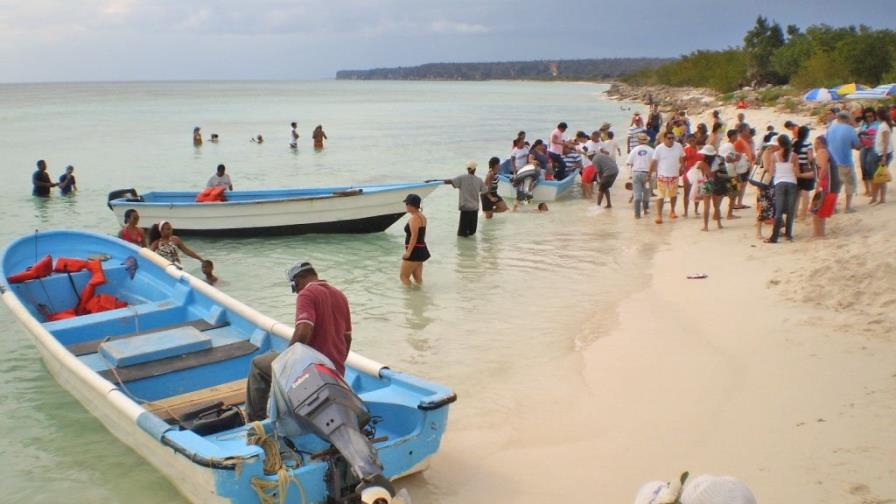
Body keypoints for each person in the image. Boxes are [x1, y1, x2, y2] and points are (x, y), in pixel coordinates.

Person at [245, 261, 352, 421]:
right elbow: (347, 338)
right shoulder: (340, 295)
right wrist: (335, 365)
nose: (295, 292)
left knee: (258, 365)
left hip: (310, 368)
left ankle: (255, 422)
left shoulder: (307, 294)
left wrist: (287, 361)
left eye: (293, 287)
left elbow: (303, 330)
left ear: (298, 280)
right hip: (333, 368)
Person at [766, 134, 799, 243]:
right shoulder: (794, 156)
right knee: (790, 210)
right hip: (792, 182)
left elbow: (771, 172)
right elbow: (797, 172)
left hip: (779, 183)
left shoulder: (774, 155)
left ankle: (774, 237)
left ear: (779, 144)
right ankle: (788, 234)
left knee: (778, 211)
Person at [826, 111, 861, 212]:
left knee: (835, 185)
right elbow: (857, 146)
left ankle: (833, 207)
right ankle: (848, 207)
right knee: (849, 184)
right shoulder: (850, 129)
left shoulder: (830, 128)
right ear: (847, 119)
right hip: (845, 160)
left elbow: (827, 142)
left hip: (832, 161)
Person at [649, 131, 684, 223]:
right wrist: (649, 174)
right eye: (669, 138)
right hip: (662, 176)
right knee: (660, 196)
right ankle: (659, 216)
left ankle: (672, 210)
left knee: (673, 195)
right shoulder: (659, 148)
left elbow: (682, 157)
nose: (671, 140)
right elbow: (654, 161)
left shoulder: (678, 146)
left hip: (674, 175)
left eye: (673, 138)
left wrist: (682, 167)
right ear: (664, 139)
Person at [443, 161, 486, 237]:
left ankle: (463, 248)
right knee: (472, 232)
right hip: (475, 209)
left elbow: (450, 181)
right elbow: (484, 190)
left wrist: (437, 181)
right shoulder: (479, 180)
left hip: (465, 208)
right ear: (475, 169)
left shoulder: (462, 178)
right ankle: (472, 247)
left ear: (467, 169)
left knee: (462, 233)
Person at [400, 194, 430, 286]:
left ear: (411, 205)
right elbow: (421, 235)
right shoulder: (422, 216)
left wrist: (408, 253)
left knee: (403, 277)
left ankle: (410, 298)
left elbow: (414, 236)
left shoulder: (414, 218)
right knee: (418, 279)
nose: (406, 206)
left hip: (414, 252)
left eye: (406, 204)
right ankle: (419, 298)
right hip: (421, 250)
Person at [812, 136, 837, 237]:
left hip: (825, 183)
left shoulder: (822, 151)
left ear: (821, 144)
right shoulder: (826, 151)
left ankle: (818, 234)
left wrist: (818, 182)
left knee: (816, 209)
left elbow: (824, 168)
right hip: (829, 184)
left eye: (816, 143)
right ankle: (820, 233)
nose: (814, 145)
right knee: (820, 210)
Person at [696, 145, 725, 231]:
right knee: (716, 206)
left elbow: (701, 174)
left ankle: (706, 226)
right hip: (716, 183)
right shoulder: (718, 161)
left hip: (707, 183)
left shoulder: (701, 163)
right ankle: (719, 224)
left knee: (706, 206)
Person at [627, 133, 654, 219]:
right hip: (648, 174)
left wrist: (630, 175)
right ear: (647, 141)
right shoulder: (651, 150)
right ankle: (645, 210)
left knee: (637, 194)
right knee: (646, 193)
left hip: (636, 173)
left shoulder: (634, 150)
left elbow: (629, 163)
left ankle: (637, 215)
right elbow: (654, 163)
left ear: (638, 141)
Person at [870, 106, 892, 205]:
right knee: (880, 177)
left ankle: (878, 198)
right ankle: (879, 198)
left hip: (882, 154)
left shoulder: (884, 126)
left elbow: (885, 143)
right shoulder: (883, 125)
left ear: (878, 116)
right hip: (881, 153)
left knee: (879, 177)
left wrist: (883, 157)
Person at [793, 126, 816, 220]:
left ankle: (794, 213)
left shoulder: (793, 142)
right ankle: (803, 214)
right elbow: (810, 158)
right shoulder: (808, 144)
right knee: (805, 192)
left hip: (795, 168)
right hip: (805, 168)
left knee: (796, 193)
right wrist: (814, 163)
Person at [858, 108, 879, 196]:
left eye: (870, 116)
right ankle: (867, 190)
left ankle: (873, 190)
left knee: (870, 167)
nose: (869, 118)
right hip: (863, 146)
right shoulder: (863, 123)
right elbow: (859, 133)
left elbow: (874, 134)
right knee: (863, 167)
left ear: (874, 116)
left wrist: (864, 133)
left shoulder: (877, 124)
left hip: (873, 147)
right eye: (866, 116)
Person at [682, 135, 703, 217]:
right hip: (688, 172)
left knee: (697, 192)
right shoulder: (685, 149)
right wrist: (684, 169)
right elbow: (682, 161)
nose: (691, 141)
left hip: (698, 172)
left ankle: (696, 210)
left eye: (693, 140)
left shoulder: (701, 149)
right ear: (687, 141)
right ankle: (686, 211)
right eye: (689, 140)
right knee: (686, 192)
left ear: (695, 139)